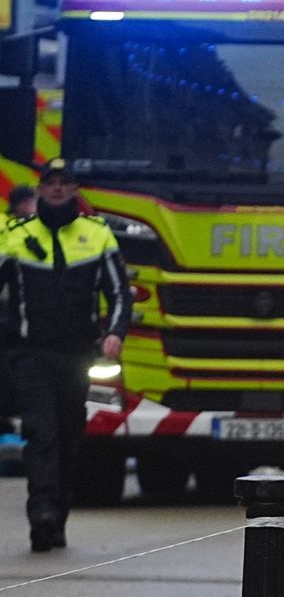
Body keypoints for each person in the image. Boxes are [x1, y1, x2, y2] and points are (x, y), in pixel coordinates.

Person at [0, 159, 131, 552]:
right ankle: (40, 511)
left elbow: (121, 293)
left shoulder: (98, 235)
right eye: (50, 183)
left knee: (69, 434)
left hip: (78, 353)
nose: (57, 189)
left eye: (64, 183)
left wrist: (115, 333)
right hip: (30, 352)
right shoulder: (16, 236)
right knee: (40, 431)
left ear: (75, 189)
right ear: (40, 189)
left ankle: (58, 513)